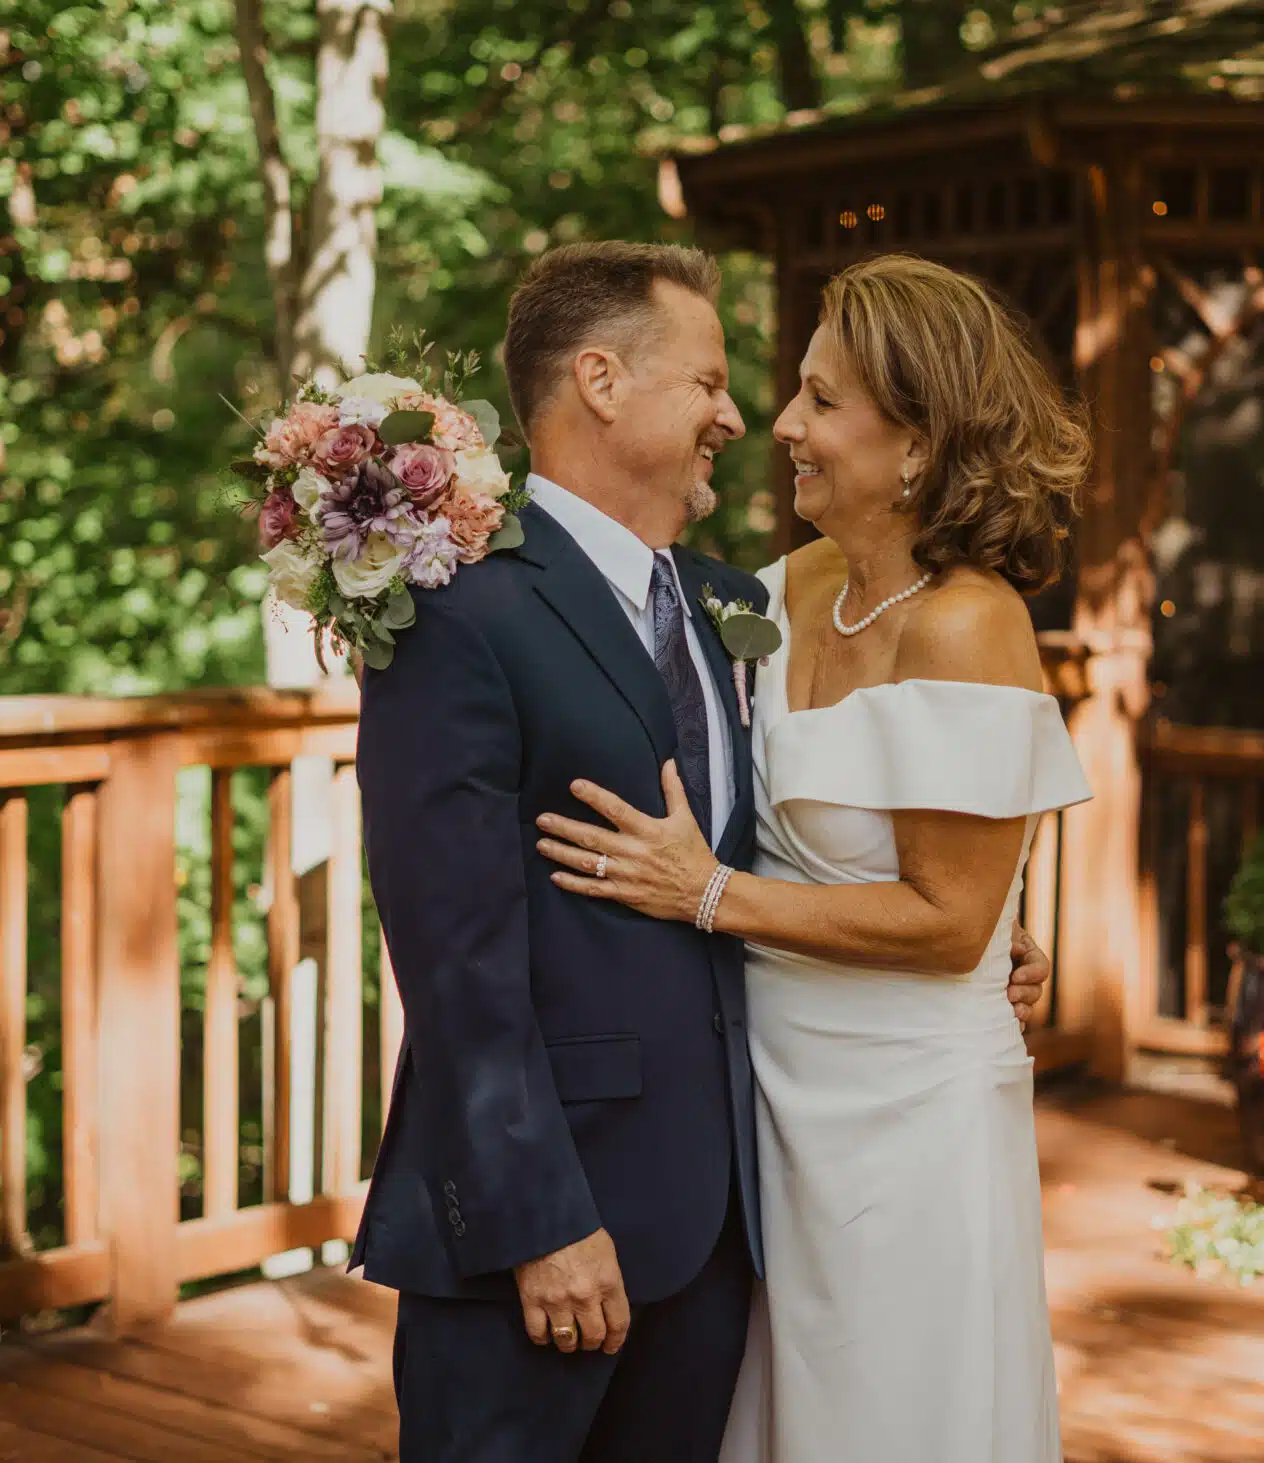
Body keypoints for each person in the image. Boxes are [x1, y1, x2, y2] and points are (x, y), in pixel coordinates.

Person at [349, 241, 1052, 1463]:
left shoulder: (738, 600)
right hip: (570, 1214)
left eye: (813, 398)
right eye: (718, 382)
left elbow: (917, 855)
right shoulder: (482, 607)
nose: (757, 417)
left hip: (751, 1197)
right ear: (603, 382)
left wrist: (984, 929)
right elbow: (452, 953)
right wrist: (534, 1220)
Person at [536, 252, 1092, 1463]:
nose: (779, 423)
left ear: (918, 446)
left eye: (822, 401)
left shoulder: (968, 622)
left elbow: (949, 927)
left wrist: (711, 894)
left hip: (906, 1111)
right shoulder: (776, 592)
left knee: (889, 1411)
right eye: (793, 388)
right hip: (766, 1100)